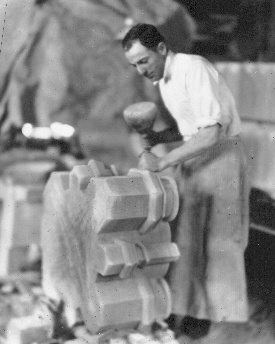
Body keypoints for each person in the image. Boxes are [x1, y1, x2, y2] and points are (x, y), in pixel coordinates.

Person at [122, 23, 250, 337]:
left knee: (219, 244)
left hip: (221, 158)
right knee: (186, 241)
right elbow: (191, 126)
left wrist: (163, 161)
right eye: (134, 65)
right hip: (194, 158)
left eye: (144, 61)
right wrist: (159, 136)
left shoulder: (195, 68)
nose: (141, 70)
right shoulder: (163, 79)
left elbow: (211, 132)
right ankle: (189, 312)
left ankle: (223, 323)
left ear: (162, 49)